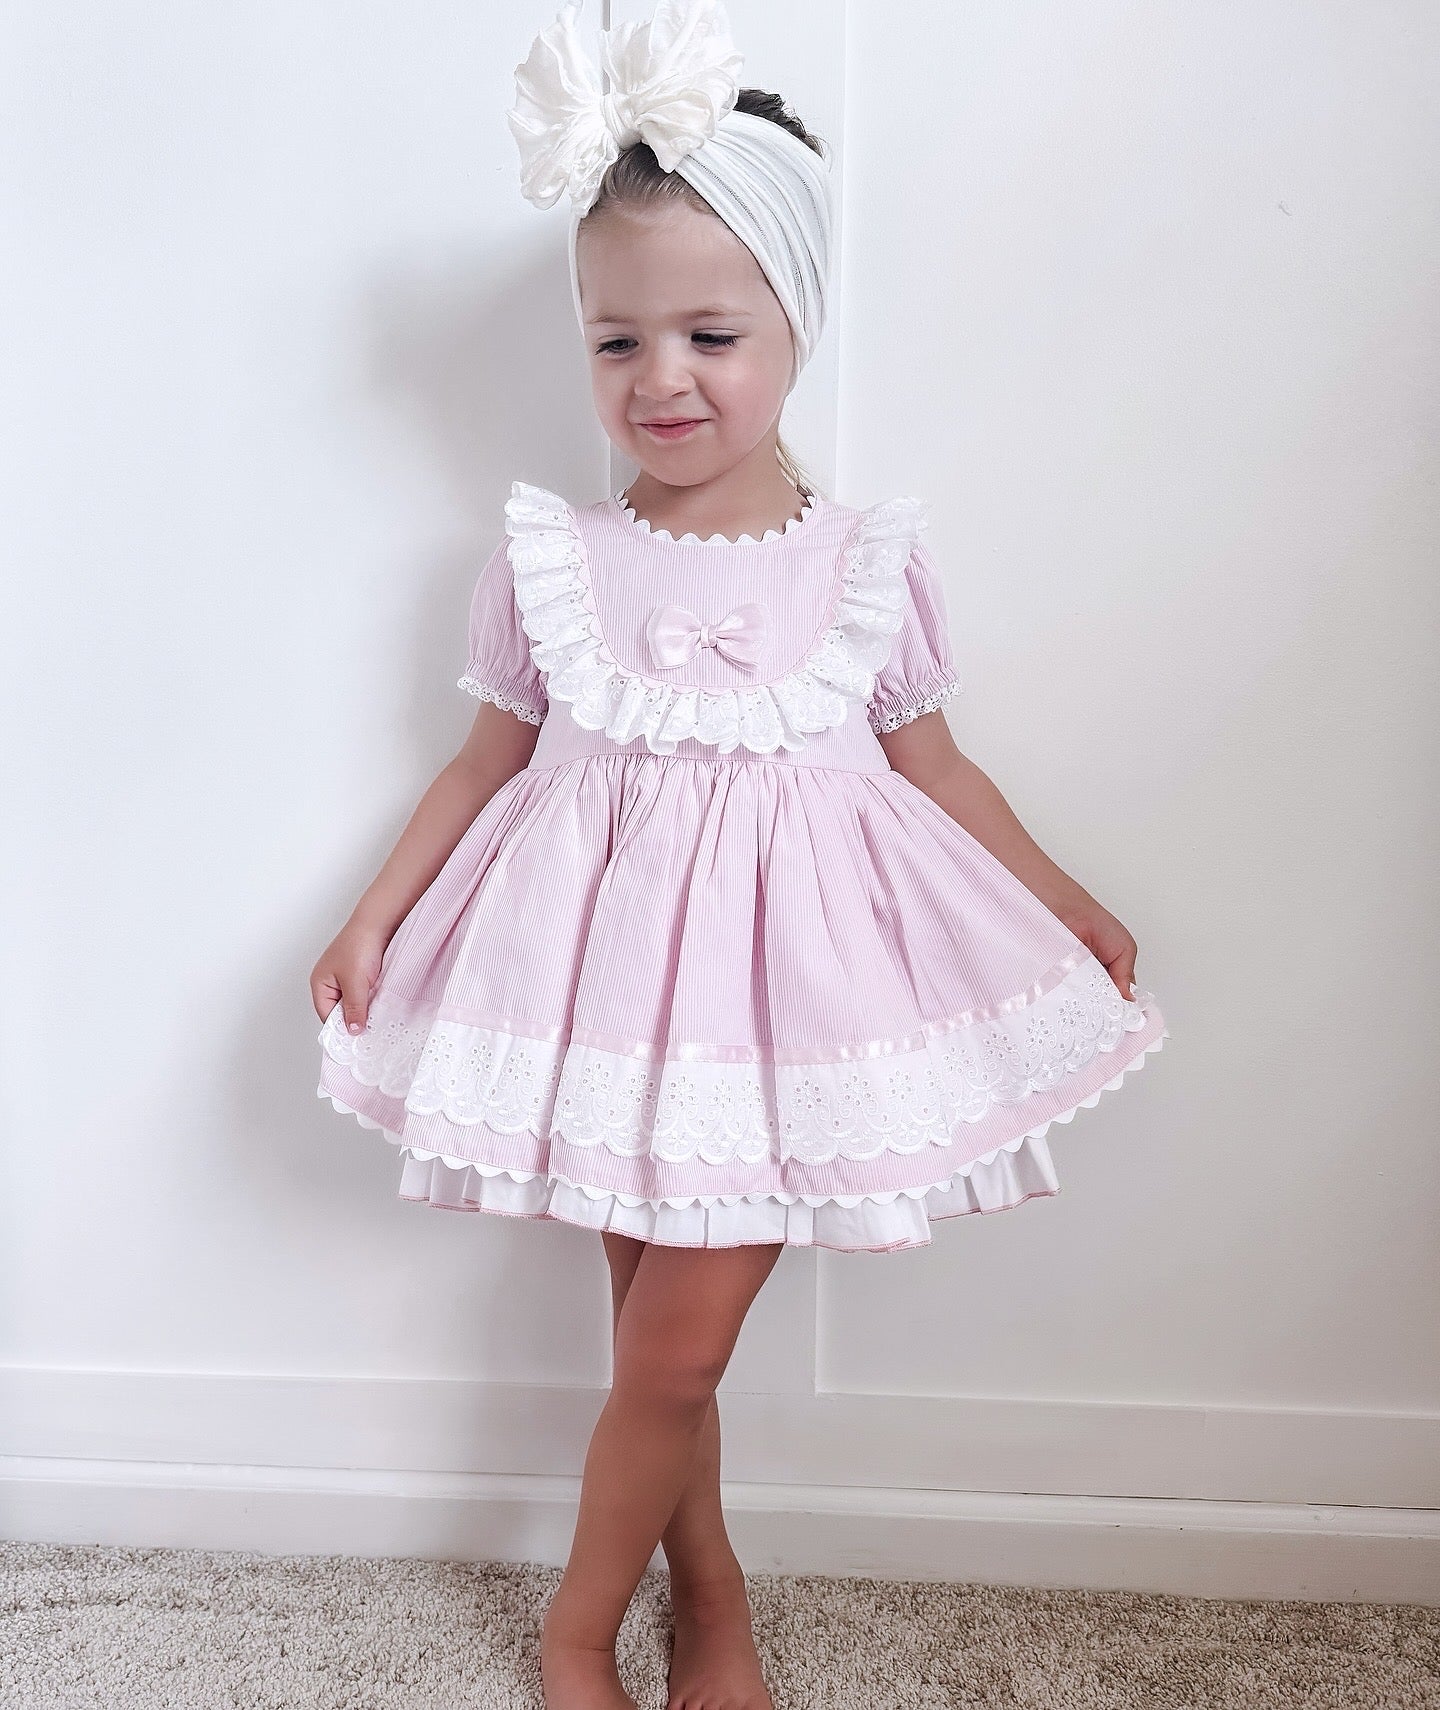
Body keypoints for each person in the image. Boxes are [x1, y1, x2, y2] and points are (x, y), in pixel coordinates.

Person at [309, 3, 1171, 1705]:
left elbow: (932, 763)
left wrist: (1061, 898)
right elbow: (487, 761)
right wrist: (373, 917)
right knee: (660, 1348)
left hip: (784, 1015)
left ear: (796, 322)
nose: (663, 379)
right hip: (598, 993)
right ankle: (710, 1601)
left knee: (674, 1352)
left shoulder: (859, 567)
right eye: (617, 340)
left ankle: (575, 1628)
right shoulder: (555, 559)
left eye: (711, 332)